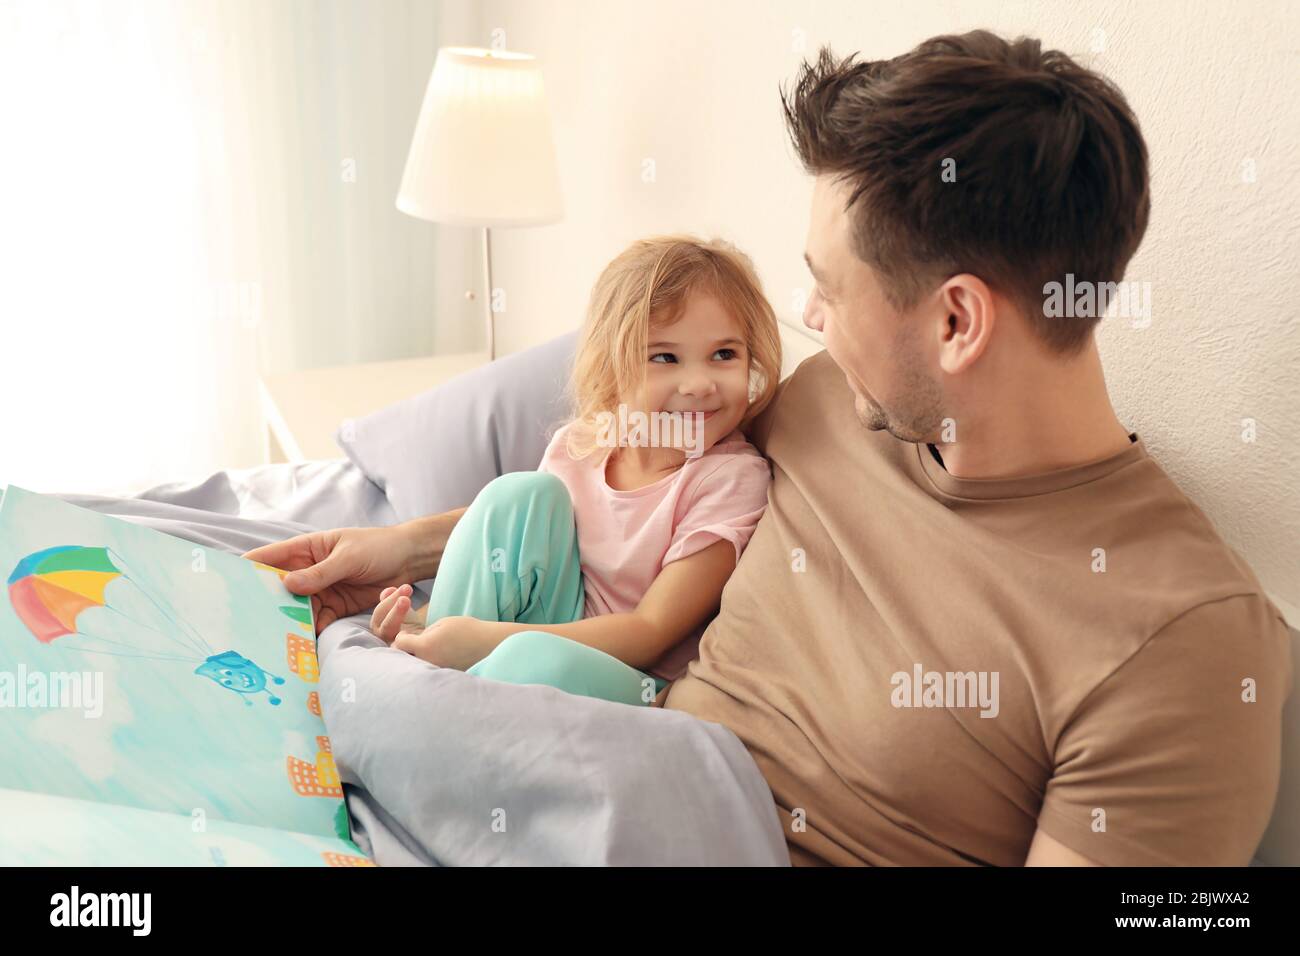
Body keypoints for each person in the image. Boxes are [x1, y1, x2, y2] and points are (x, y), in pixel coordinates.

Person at [244, 30, 1292, 865]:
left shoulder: (1181, 646)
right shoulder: (834, 401)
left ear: (957, 322)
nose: (805, 316)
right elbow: (622, 474)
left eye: (828, 288)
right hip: (585, 769)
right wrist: (397, 548)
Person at [359, 235, 780, 707]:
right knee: (515, 495)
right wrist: (428, 620)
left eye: (725, 354)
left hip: (631, 677)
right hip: (551, 623)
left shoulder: (729, 480)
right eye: (665, 357)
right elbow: (516, 564)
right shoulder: (582, 445)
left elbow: (651, 631)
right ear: (614, 367)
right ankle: (432, 656)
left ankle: (449, 694)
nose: (700, 384)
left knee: (531, 660)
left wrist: (484, 641)